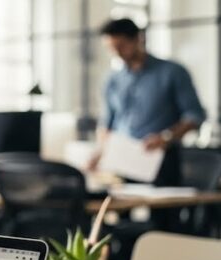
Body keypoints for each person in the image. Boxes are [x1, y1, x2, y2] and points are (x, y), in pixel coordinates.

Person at [88, 18, 206, 187]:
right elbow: (107, 123)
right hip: (121, 161)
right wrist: (100, 151)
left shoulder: (173, 72)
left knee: (162, 204)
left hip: (161, 160)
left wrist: (166, 137)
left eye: (121, 46)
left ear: (138, 39)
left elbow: (194, 116)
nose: (117, 52)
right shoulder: (112, 80)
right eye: (111, 48)